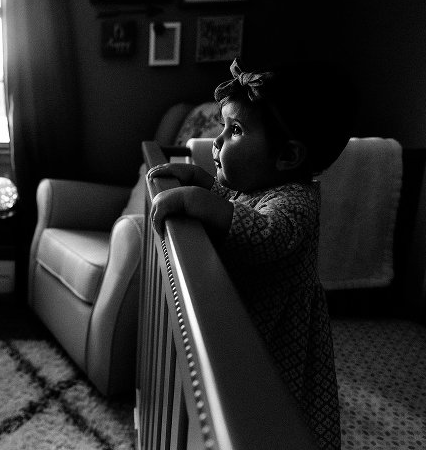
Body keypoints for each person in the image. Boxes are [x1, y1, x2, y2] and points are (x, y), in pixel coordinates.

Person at [148, 58, 351, 450]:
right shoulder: (257, 184)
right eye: (223, 127)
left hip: (277, 332)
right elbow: (233, 202)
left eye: (236, 129)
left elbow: (268, 233)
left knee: (271, 411)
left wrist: (200, 201)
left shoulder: (296, 200)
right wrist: (205, 184)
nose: (219, 141)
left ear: (288, 156)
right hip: (246, 314)